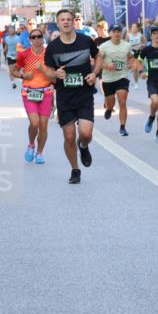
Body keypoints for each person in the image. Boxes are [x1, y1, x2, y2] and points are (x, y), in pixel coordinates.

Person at [42, 9, 100, 184]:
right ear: (58, 24)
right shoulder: (53, 47)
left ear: (73, 22)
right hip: (65, 97)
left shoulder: (85, 41)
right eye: (62, 20)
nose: (66, 22)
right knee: (68, 137)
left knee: (85, 133)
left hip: (84, 94)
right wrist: (55, 74)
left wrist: (95, 73)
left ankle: (83, 146)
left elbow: (99, 57)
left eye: (68, 19)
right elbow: (48, 72)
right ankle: (75, 169)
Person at [11, 26, 51, 163]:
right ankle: (31, 145)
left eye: (39, 36)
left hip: (46, 92)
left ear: (42, 38)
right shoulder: (24, 54)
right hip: (29, 92)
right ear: (29, 40)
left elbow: (53, 74)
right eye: (33, 37)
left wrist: (44, 70)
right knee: (35, 123)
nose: (36, 39)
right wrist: (23, 75)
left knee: (44, 125)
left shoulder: (49, 53)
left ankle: (39, 153)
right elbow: (14, 71)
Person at [134, 26, 158, 143]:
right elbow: (138, 61)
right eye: (154, 33)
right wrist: (141, 72)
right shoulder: (146, 50)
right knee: (155, 101)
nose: (157, 36)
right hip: (152, 81)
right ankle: (151, 117)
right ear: (151, 35)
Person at [98, 24, 133, 136]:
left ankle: (122, 127)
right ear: (110, 33)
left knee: (122, 101)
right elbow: (97, 60)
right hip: (108, 79)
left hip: (122, 77)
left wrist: (131, 63)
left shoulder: (127, 45)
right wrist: (107, 66)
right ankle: (109, 108)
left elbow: (130, 56)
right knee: (110, 101)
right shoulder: (103, 46)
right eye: (114, 31)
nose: (117, 33)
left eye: (119, 31)